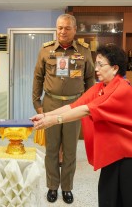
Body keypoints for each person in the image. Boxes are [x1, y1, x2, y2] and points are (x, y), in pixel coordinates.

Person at [31, 44, 132, 207]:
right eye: (96, 63)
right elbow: (74, 106)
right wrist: (45, 115)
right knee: (108, 197)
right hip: (113, 153)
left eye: (100, 64)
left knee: (125, 199)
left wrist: (54, 120)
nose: (96, 69)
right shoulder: (100, 87)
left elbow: (87, 110)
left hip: (127, 155)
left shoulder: (122, 89)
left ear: (114, 68)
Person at [32, 13, 95, 204]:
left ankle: (67, 188)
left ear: (75, 30)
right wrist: (38, 104)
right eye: (59, 27)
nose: (62, 31)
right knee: (51, 148)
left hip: (74, 106)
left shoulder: (84, 51)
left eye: (67, 28)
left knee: (70, 149)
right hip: (50, 104)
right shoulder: (46, 50)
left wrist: (88, 104)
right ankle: (52, 186)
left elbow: (89, 78)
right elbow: (38, 78)